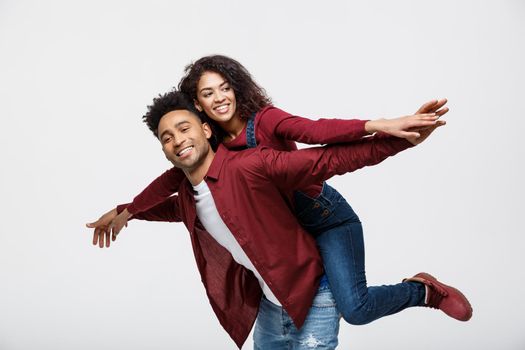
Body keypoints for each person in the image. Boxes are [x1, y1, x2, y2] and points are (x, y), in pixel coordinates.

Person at [89, 55, 471, 327]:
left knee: (355, 309)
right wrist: (129, 210)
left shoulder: (265, 122)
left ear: (237, 88)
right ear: (198, 109)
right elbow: (173, 181)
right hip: (285, 227)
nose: (220, 97)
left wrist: (383, 127)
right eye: (207, 94)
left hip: (323, 217)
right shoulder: (208, 146)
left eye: (225, 87)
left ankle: (422, 290)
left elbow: (320, 138)